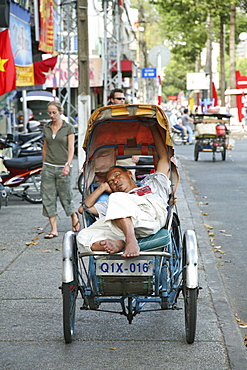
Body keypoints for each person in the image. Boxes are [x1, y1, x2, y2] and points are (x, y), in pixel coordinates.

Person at [77, 122, 171, 258]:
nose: (115, 181)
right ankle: (120, 243)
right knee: (82, 236)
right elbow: (83, 208)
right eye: (111, 182)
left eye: (116, 175)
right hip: (120, 226)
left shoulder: (153, 184)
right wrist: (103, 187)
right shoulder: (113, 201)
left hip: (149, 215)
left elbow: (164, 158)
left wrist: (152, 128)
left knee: (118, 198)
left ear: (129, 174)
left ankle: (130, 240)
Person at [41, 101, 80, 239]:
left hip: (63, 166)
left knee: (66, 196)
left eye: (54, 112)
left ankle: (74, 216)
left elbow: (71, 148)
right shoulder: (46, 128)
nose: (51, 115)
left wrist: (67, 165)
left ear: (60, 112)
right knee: (48, 198)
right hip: (49, 167)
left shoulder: (68, 128)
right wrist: (43, 165)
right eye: (49, 113)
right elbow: (45, 148)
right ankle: (53, 229)